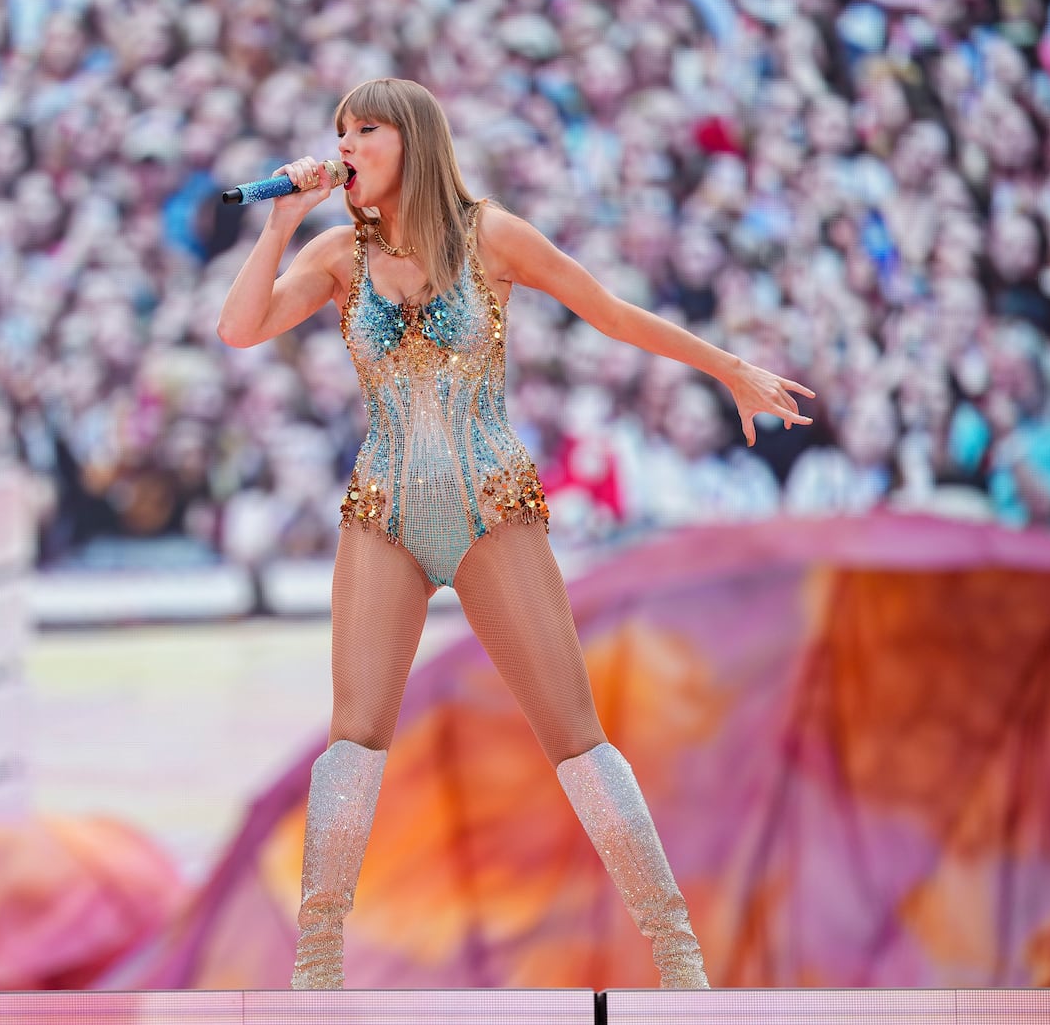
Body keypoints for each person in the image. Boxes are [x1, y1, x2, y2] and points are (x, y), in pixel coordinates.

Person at [218, 78, 814, 991]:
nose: (343, 147)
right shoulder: (337, 252)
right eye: (338, 131)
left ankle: (678, 955)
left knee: (575, 734)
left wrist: (727, 368)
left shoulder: (490, 235)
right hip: (382, 511)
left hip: (491, 504)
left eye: (363, 130)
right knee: (355, 734)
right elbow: (239, 327)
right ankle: (317, 967)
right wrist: (277, 224)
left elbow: (610, 312)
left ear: (412, 139)